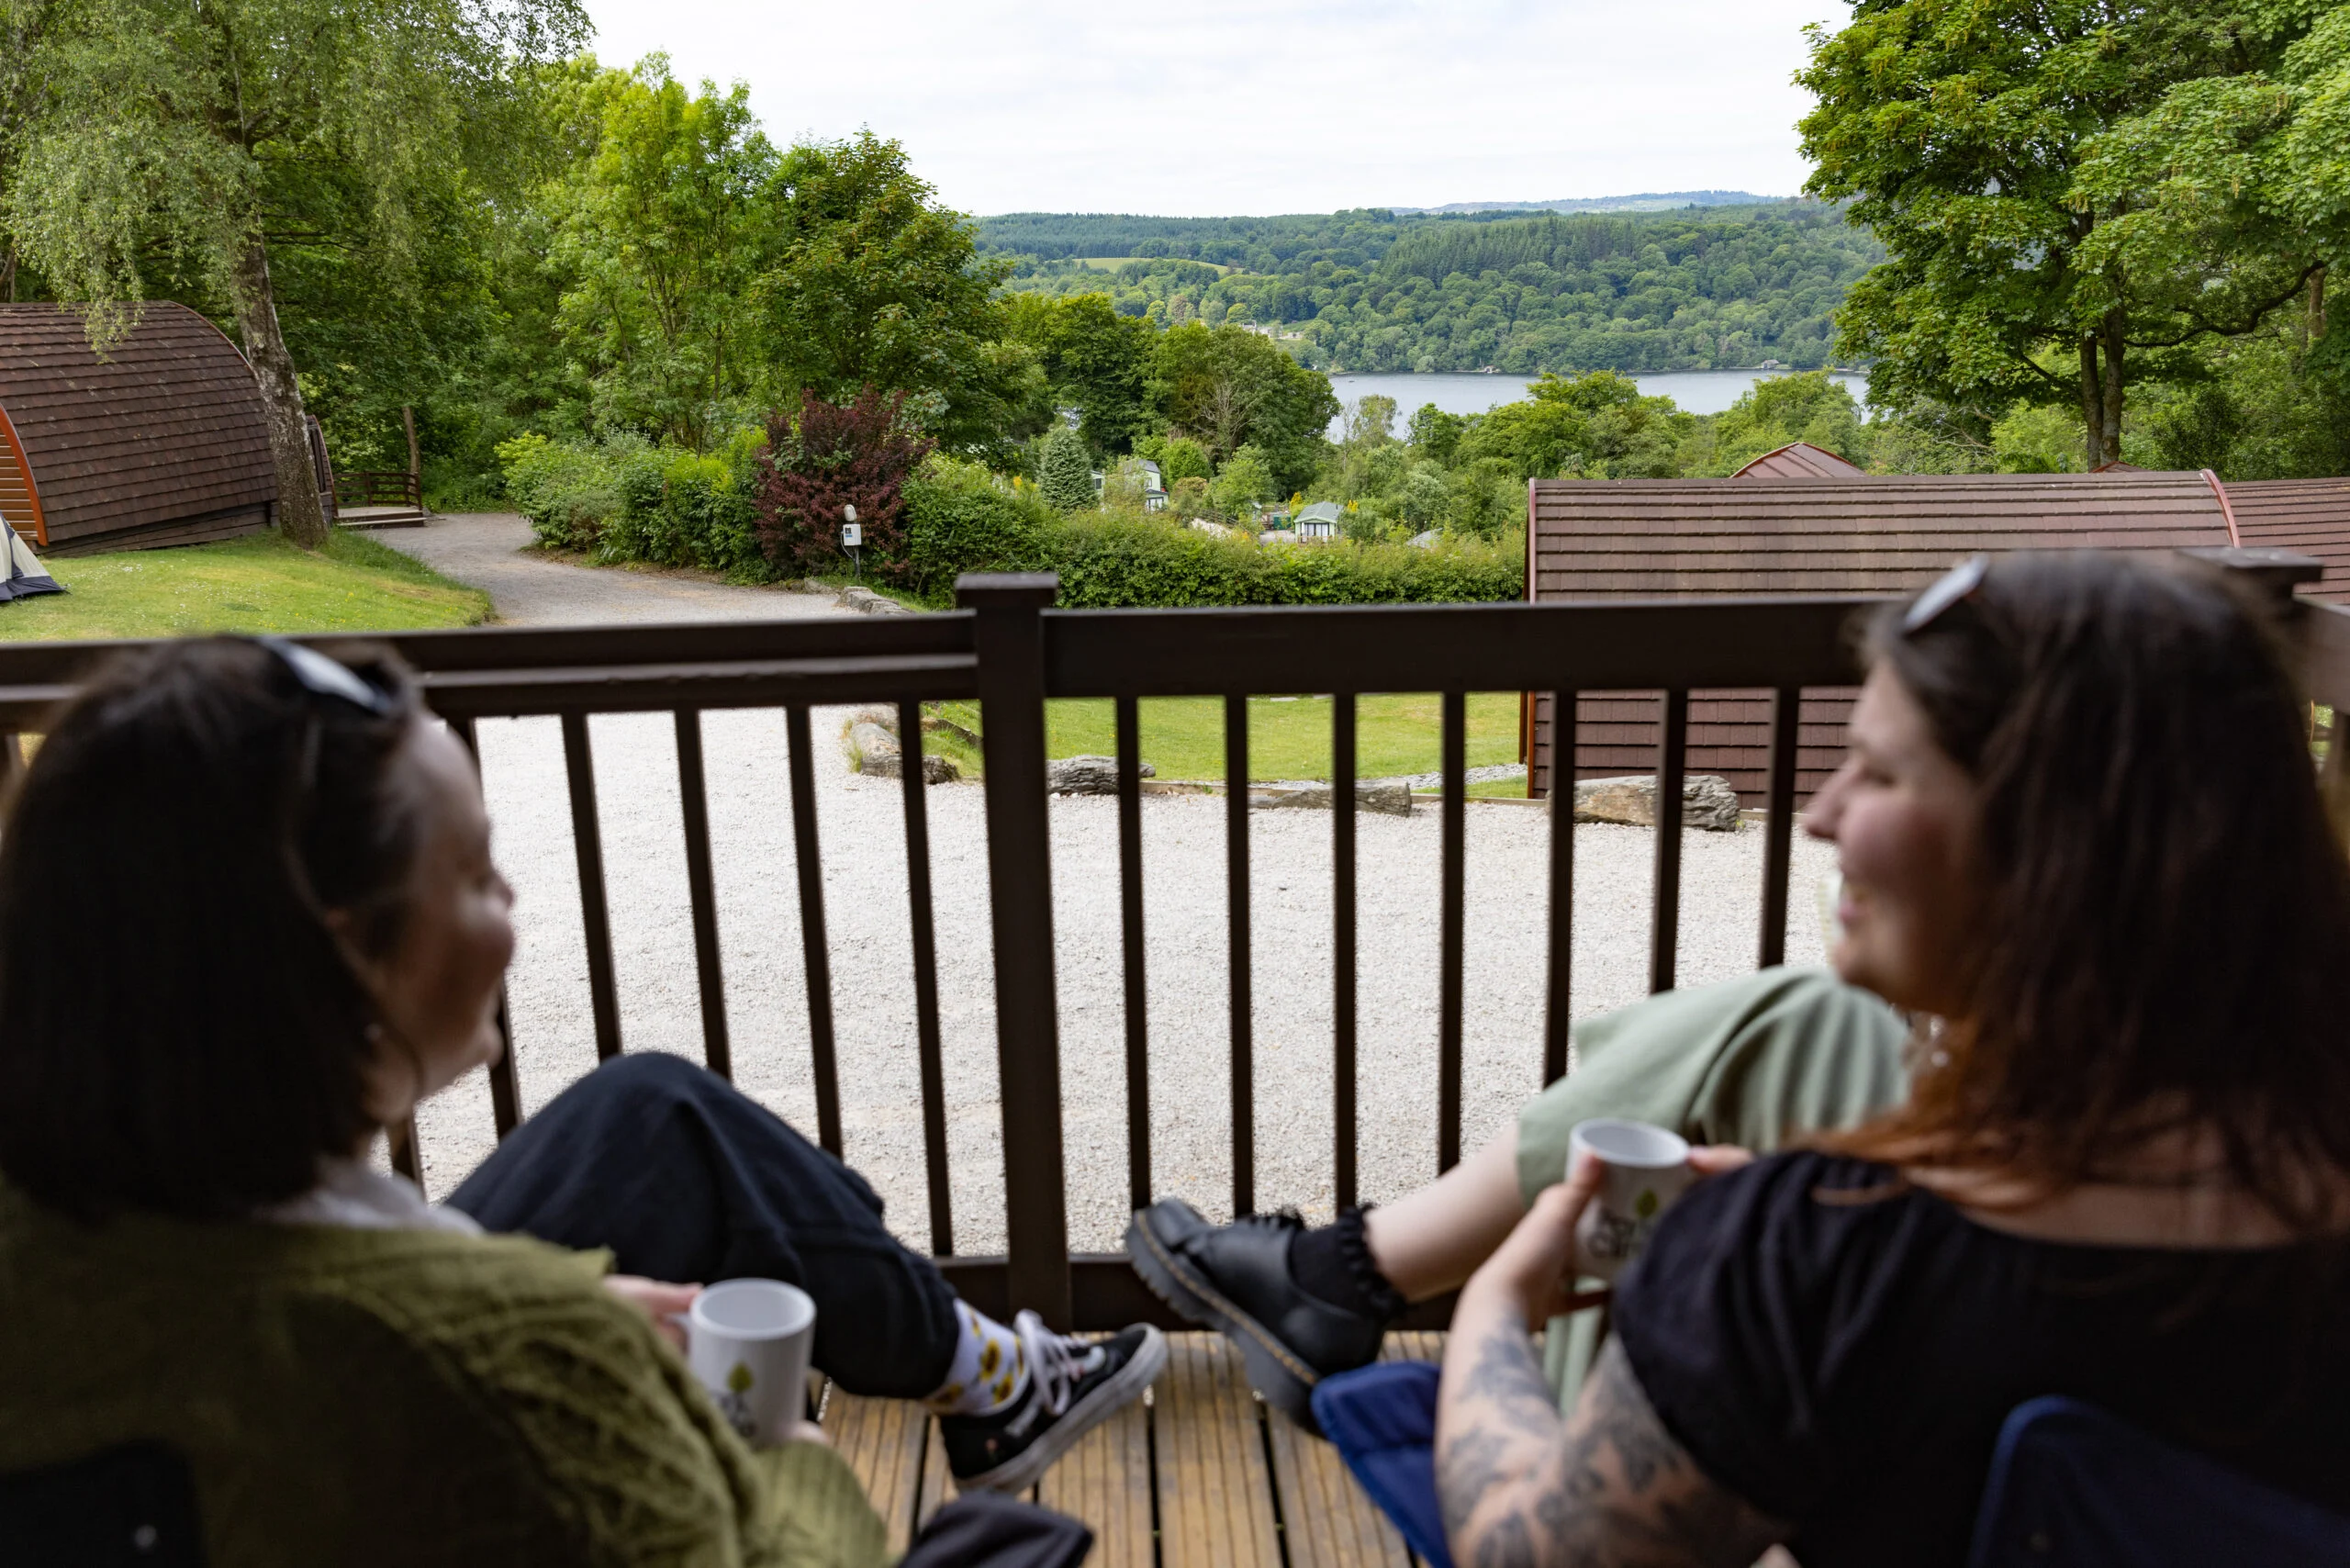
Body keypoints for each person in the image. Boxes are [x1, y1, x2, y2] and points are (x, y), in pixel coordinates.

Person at [0, 636, 1163, 1565]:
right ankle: (983, 1376)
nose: (508, 902)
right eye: (472, 873)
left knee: (653, 1112)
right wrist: (772, 1444)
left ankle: (978, 1371)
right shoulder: (514, 1365)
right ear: (349, 957)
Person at [1433, 550, 2350, 1566]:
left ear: (2046, 843)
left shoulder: (1818, 1264)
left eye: (1876, 770)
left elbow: (1527, 1554)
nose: (1821, 813)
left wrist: (1496, 1303)